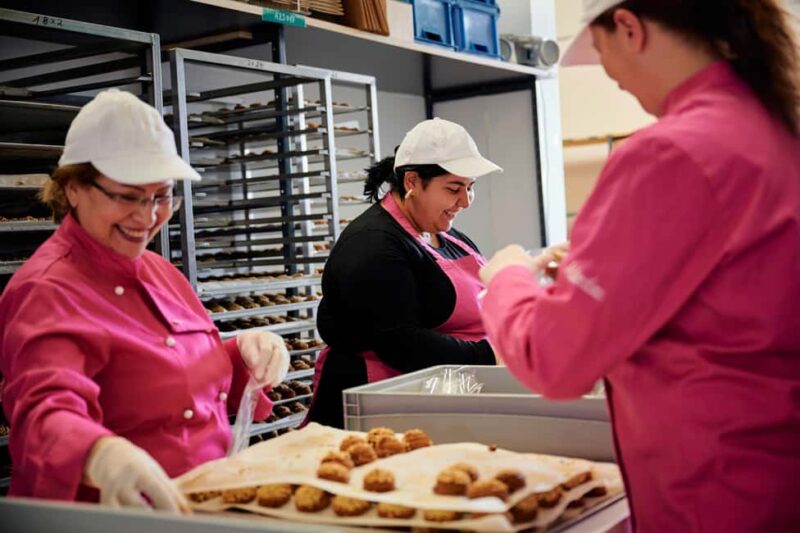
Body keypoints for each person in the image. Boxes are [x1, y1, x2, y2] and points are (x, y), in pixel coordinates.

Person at [479, 0, 800, 531]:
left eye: (601, 53)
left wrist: (508, 276)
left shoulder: (673, 151)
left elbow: (555, 359)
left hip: (719, 491)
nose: (614, 79)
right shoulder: (772, 131)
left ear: (628, 27)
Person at [0, 90, 290, 512]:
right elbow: (44, 411)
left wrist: (243, 354)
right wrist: (98, 454)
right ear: (74, 187)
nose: (148, 215)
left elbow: (171, 373)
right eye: (127, 196)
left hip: (200, 509)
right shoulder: (46, 290)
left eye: (163, 196)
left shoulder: (160, 272)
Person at [307, 118, 503, 428]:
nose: (465, 202)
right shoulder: (372, 243)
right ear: (411, 182)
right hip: (374, 404)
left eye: (470, 188)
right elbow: (399, 343)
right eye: (454, 189)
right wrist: (489, 354)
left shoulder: (447, 235)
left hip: (434, 396)